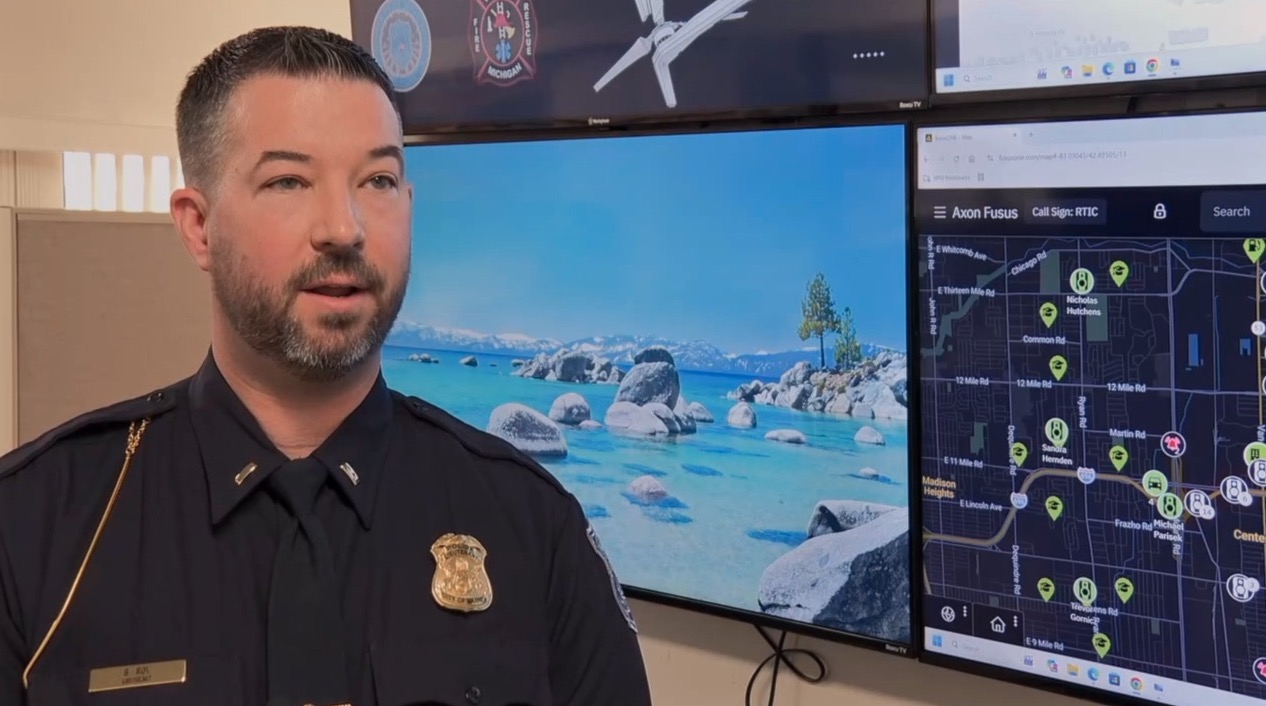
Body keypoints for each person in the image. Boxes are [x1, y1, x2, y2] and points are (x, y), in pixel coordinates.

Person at [0, 26, 653, 706]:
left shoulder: (534, 527)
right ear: (199, 226)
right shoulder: (35, 528)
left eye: (378, 180)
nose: (344, 228)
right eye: (288, 180)